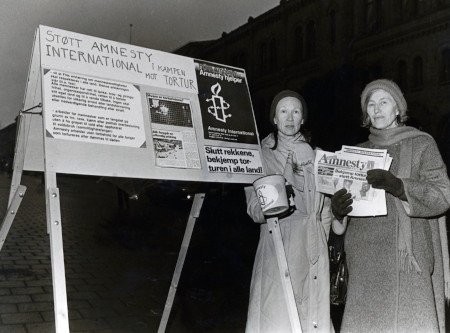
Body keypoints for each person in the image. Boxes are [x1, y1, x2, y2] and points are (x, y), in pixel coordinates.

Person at [331, 79, 450, 332]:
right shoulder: (356, 153)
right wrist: (338, 212)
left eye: (383, 102)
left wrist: (400, 187)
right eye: (371, 104)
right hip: (364, 260)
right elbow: (343, 223)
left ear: (398, 108)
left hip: (407, 260)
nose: (376, 109)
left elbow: (443, 194)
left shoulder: (422, 144)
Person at [245, 90, 334, 333]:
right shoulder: (260, 156)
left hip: (313, 248)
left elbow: (325, 209)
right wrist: (279, 192)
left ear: (303, 118)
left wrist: (321, 242)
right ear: (274, 118)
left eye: (296, 111)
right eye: (283, 111)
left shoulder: (317, 156)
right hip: (279, 245)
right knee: (278, 317)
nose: (290, 117)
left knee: (311, 317)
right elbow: (254, 209)